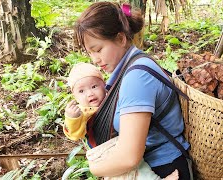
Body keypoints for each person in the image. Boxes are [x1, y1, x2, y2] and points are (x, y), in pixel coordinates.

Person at [74, 1, 192, 179]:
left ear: (121, 38)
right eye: (90, 53)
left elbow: (129, 158)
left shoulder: (137, 79)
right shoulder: (133, 66)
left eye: (98, 50)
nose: (95, 60)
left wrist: (94, 167)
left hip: (165, 169)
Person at [63, 63, 179, 180]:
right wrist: (72, 118)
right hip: (104, 154)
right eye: (81, 91)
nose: (90, 93)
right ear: (75, 96)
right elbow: (75, 134)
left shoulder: (113, 100)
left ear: (104, 85)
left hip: (122, 147)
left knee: (139, 170)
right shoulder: (82, 112)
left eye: (94, 87)